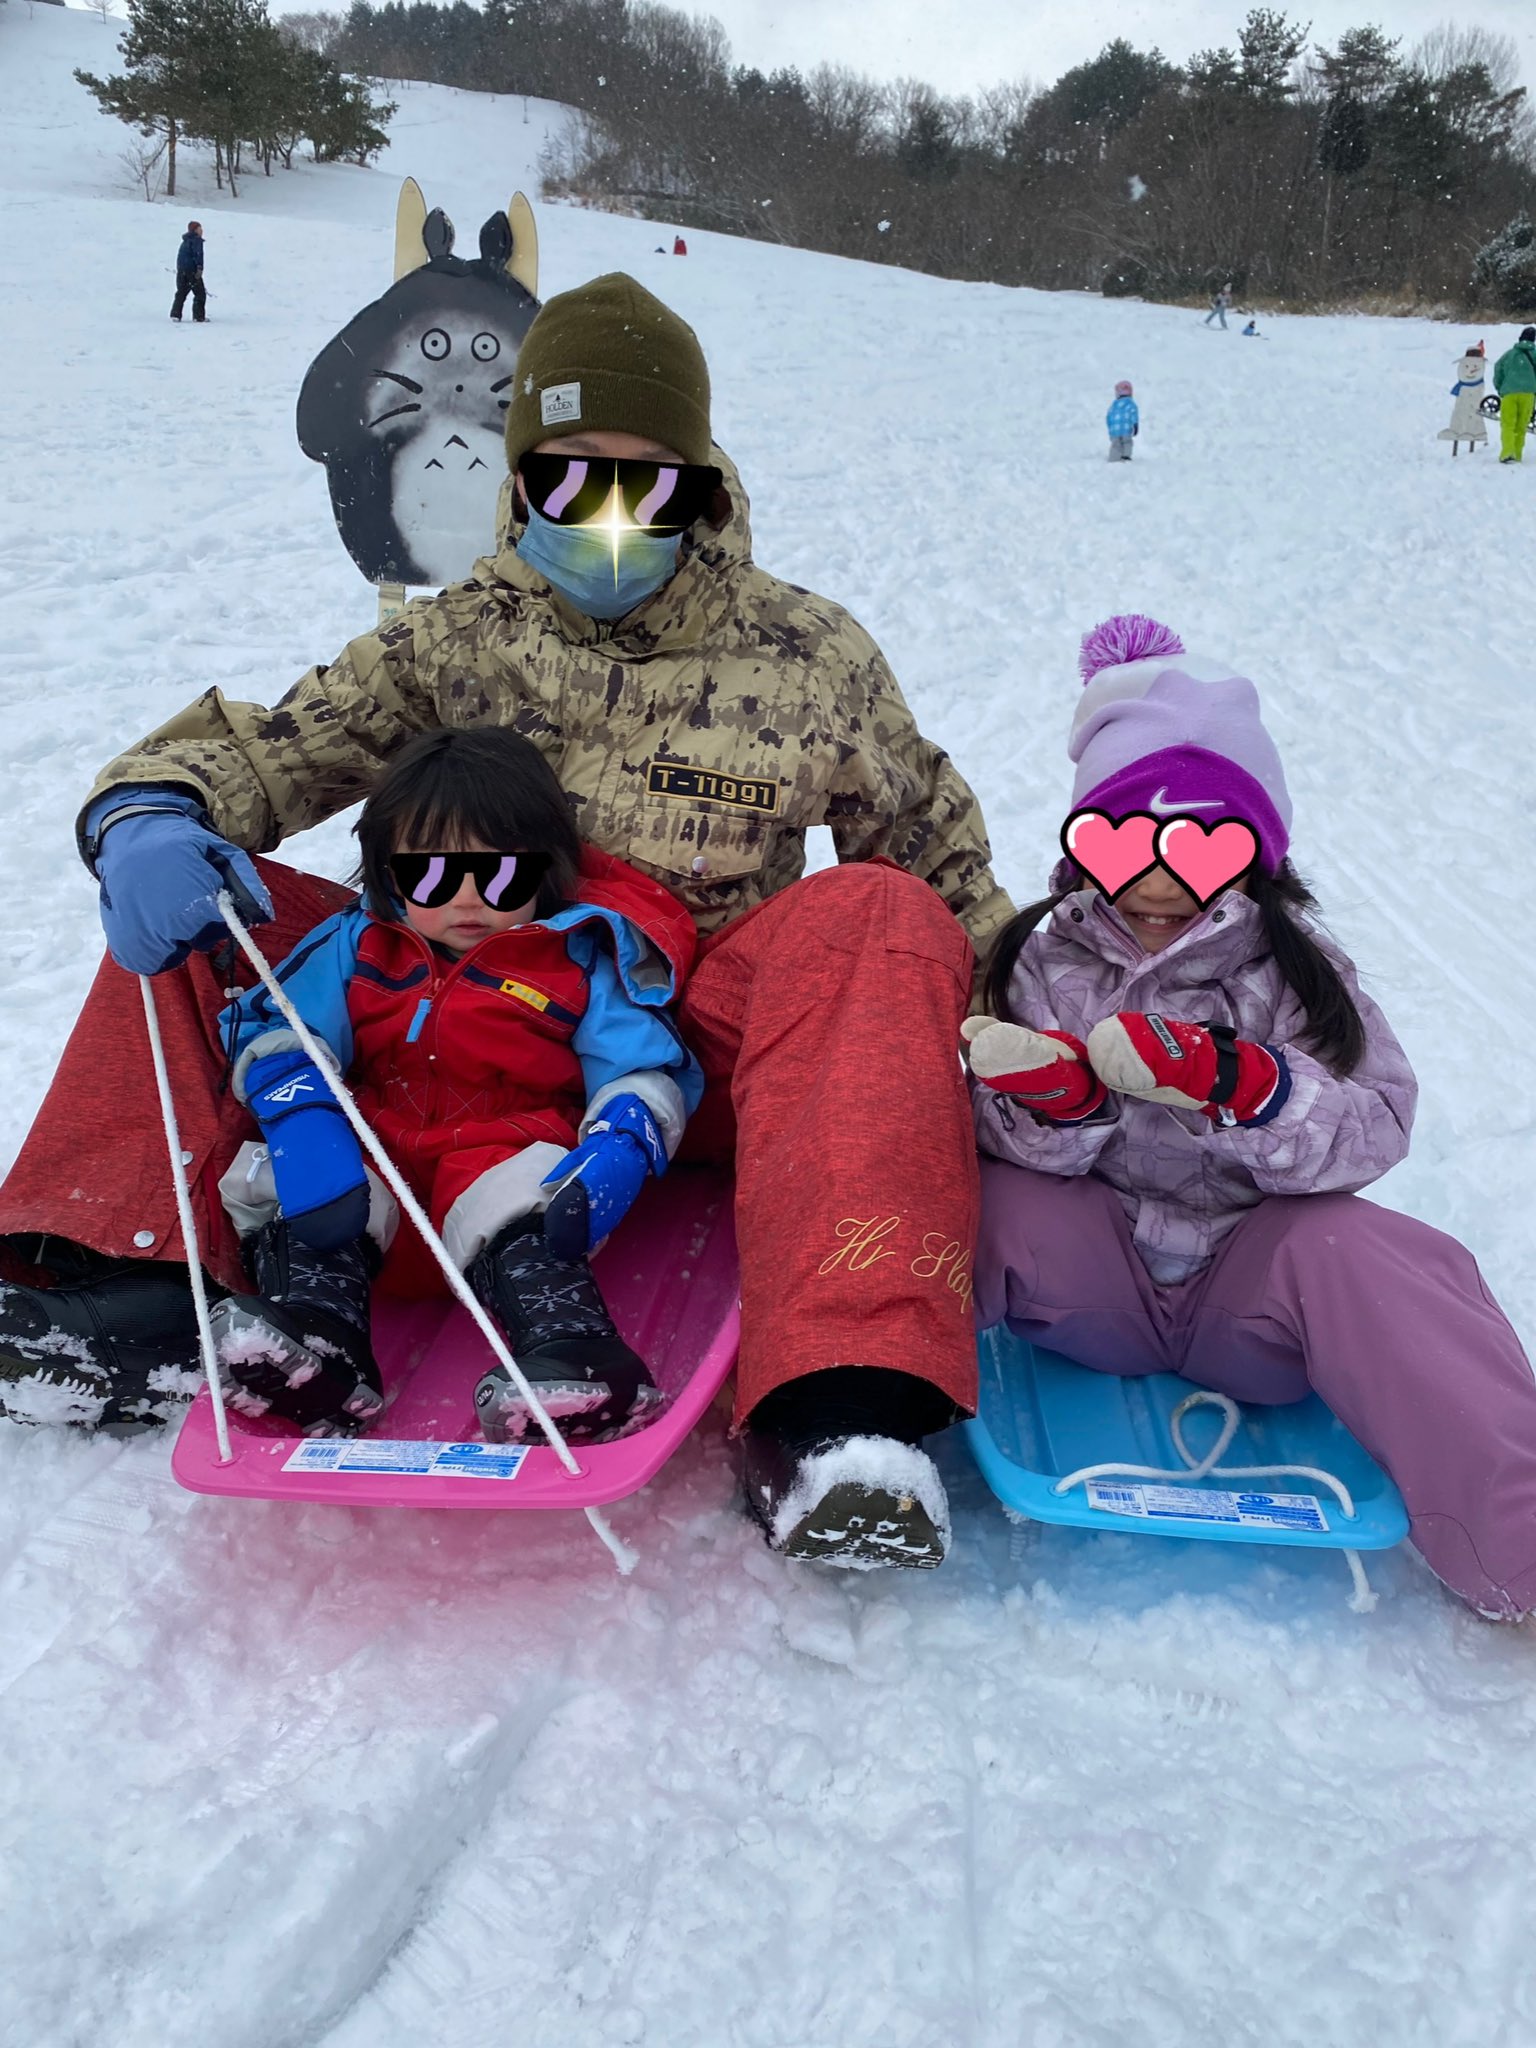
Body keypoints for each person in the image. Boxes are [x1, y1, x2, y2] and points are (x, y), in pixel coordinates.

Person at [0, 272, 1012, 1571]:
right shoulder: (458, 640)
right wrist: (152, 805)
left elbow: (937, 865)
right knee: (219, 917)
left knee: (877, 912)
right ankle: (120, 1278)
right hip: (450, 1029)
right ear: (521, 483)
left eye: (643, 485)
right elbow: (282, 746)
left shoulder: (807, 658)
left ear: (699, 487)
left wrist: (1038, 1040)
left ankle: (836, 1401)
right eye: (565, 482)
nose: (603, 520)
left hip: (673, 1062)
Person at [961, 612, 1536, 1620]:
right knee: (977, 1199)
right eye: (1121, 837)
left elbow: (1376, 1123)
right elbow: (989, 1129)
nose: (1153, 877)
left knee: (1382, 1254)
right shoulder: (1046, 960)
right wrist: (1060, 1104)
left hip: (1253, 1295)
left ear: (1256, 850)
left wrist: (1248, 1086)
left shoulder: (1295, 970)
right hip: (1091, 1286)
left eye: (1199, 844)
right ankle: (854, 1413)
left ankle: (1517, 1544)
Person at [212, 726, 702, 1444]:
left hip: (500, 1173)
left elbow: (639, 1066)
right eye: (433, 878)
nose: (468, 900)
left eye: (501, 878)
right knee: (287, 1179)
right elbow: (280, 1029)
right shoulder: (358, 945)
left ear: (548, 869)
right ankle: (320, 1344)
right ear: (388, 875)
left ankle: (571, 1354)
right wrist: (303, 1116)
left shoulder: (574, 958)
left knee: (522, 1187)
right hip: (364, 1193)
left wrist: (623, 1140)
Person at [1492, 326, 1536, 463]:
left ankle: (1507, 453)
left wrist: (1500, 388)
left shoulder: (1509, 354)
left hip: (1509, 392)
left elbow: (1498, 369)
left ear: (1520, 338)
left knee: (1508, 424)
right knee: (1521, 426)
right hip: (1529, 394)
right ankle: (1517, 454)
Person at [171, 221, 206, 324]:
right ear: (195, 230)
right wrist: (199, 269)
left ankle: (175, 314)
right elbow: (198, 255)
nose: (201, 230)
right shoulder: (196, 241)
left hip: (182, 270)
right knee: (200, 294)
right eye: (200, 228)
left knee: (181, 292)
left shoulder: (185, 241)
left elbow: (180, 257)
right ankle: (198, 317)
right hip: (192, 271)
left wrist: (180, 269)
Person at [1106, 380, 1138, 462]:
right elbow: (1134, 414)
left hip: (1115, 430)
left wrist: (1110, 428)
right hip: (1126, 429)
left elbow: (1109, 416)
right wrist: (1135, 424)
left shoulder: (1114, 404)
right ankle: (1126, 456)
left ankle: (1113, 458)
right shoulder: (1131, 403)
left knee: (1116, 444)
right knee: (1127, 442)